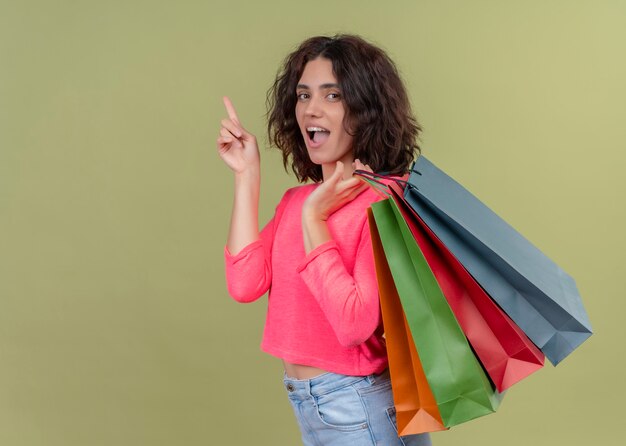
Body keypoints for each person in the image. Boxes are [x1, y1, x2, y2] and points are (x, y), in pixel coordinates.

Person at [217, 34, 431, 446]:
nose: (311, 109)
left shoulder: (384, 201)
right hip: (311, 404)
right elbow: (245, 285)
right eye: (303, 95)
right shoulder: (297, 200)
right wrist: (247, 175)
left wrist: (315, 219)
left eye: (332, 95)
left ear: (365, 108)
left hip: (360, 403)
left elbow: (354, 324)